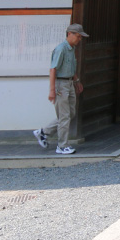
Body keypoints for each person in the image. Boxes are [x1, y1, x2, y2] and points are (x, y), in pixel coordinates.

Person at [33, 23, 87, 154]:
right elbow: (53, 69)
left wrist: (77, 81)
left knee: (70, 113)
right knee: (64, 116)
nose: (79, 39)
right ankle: (62, 145)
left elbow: (70, 67)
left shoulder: (72, 48)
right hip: (60, 85)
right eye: (78, 36)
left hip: (69, 83)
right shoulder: (61, 49)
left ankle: (44, 132)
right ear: (70, 34)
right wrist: (52, 90)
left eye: (80, 37)